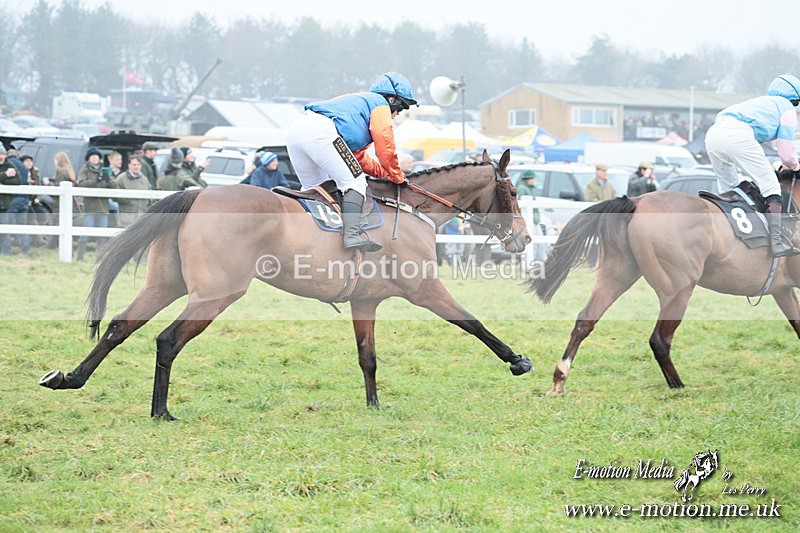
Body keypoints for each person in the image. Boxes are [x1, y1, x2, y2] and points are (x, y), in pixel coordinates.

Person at [286, 71, 417, 252]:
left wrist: (385, 174)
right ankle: (352, 235)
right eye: (400, 108)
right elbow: (385, 144)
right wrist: (397, 176)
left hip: (296, 132)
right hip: (321, 133)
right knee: (355, 182)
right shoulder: (380, 105)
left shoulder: (358, 108)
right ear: (392, 99)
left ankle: (306, 238)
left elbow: (358, 158)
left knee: (317, 189)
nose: (396, 114)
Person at [706, 73, 800, 257]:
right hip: (737, 135)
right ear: (794, 100)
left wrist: (788, 161)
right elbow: (787, 156)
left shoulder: (763, 104)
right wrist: (796, 166)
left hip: (713, 135)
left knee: (729, 189)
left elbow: (780, 149)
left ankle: (730, 237)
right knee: (771, 185)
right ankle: (777, 243)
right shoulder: (786, 109)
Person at [76, 147, 115, 261]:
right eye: (92, 156)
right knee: (86, 233)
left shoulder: (105, 169)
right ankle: (80, 257)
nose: (94, 158)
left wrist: (108, 179)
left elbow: (114, 185)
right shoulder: (85, 170)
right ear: (88, 159)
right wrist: (96, 180)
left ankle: (100, 257)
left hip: (103, 206)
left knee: (102, 234)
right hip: (90, 206)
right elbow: (81, 184)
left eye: (96, 156)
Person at [0, 146, 30, 257]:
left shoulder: (10, 164)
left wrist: (3, 181)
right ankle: (25, 250)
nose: (1, 156)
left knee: (6, 226)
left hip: (8, 202)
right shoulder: (19, 164)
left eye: (2, 154)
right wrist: (6, 175)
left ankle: (6, 251)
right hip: (23, 199)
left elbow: (17, 180)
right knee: (21, 225)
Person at [113, 155, 152, 227]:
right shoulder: (121, 178)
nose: (136, 167)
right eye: (134, 164)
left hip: (142, 217)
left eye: (138, 165)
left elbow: (150, 197)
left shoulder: (144, 179)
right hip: (127, 217)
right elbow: (115, 197)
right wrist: (128, 200)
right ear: (129, 165)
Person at [515, 169, 546, 261]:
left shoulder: (528, 188)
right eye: (534, 178)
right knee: (533, 242)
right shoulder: (522, 188)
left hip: (534, 219)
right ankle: (533, 260)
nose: (535, 180)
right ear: (529, 179)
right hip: (529, 219)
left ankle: (540, 259)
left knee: (539, 241)